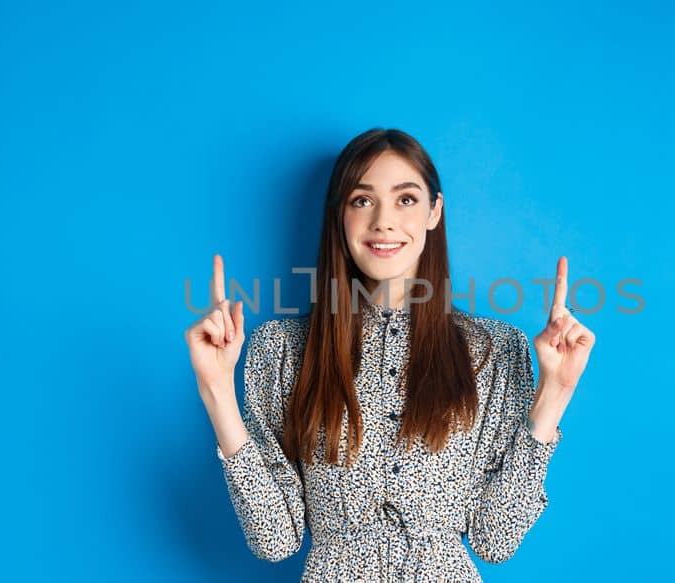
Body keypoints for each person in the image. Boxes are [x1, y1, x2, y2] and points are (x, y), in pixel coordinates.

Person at [184, 128, 596, 581]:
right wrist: (217, 390)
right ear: (340, 214)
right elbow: (276, 539)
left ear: (434, 212)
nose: (383, 221)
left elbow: (494, 539)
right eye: (362, 200)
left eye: (405, 199)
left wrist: (554, 394)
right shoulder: (280, 349)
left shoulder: (494, 349)